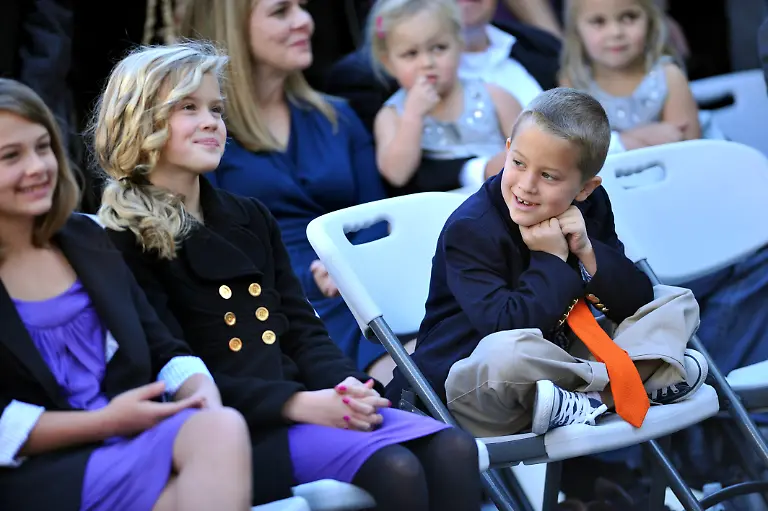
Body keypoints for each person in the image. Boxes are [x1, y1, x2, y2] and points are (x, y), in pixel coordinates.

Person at [97, 42, 483, 510]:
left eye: (216, 110)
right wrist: (297, 404)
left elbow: (303, 329)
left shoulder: (249, 216)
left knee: (455, 449)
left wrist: (347, 386)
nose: (211, 122)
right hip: (234, 427)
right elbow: (170, 365)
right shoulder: (120, 237)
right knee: (396, 468)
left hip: (304, 404)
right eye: (188, 108)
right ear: (139, 121)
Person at [386, 88, 707, 438]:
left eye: (549, 176)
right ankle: (640, 379)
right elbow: (504, 325)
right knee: (507, 353)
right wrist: (551, 259)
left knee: (673, 302)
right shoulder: (472, 228)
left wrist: (587, 251)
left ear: (585, 188)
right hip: (480, 385)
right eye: (519, 163)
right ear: (506, 150)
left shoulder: (592, 204)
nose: (526, 185)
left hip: (561, 369)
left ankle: (599, 397)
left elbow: (635, 302)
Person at [0, 78, 252, 510]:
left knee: (221, 426)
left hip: (131, 437)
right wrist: (106, 422)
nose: (38, 167)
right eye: (11, 157)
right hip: (34, 469)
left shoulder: (86, 236)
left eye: (43, 148)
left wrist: (199, 392)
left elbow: (163, 348)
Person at [180, 0, 403, 382]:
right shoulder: (204, 132)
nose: (305, 22)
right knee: (400, 371)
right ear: (232, 29)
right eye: (281, 11)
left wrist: (353, 266)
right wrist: (307, 276)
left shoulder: (338, 117)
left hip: (362, 286)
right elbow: (204, 240)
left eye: (302, 7)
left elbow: (378, 217)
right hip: (271, 301)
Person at [370, 0, 521, 194]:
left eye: (439, 48)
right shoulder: (391, 115)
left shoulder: (494, 96)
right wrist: (413, 116)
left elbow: (530, 148)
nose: (427, 62)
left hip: (502, 200)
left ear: (459, 45)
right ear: (388, 63)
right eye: (410, 54)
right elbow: (397, 175)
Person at [559, 0, 701, 149]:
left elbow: (689, 153)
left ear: (650, 19)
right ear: (576, 30)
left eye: (629, 17)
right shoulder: (573, 83)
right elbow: (576, 152)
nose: (615, 32)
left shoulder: (669, 77)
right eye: (598, 21)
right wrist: (635, 138)